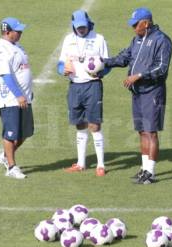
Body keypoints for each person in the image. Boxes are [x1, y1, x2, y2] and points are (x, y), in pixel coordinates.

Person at [103, 7, 172, 184]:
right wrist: (102, 62)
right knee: (142, 131)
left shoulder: (162, 40)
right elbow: (124, 58)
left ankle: (151, 172)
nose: (133, 28)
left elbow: (161, 68)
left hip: (152, 92)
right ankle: (144, 169)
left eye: (136, 25)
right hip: (138, 93)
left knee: (151, 132)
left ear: (146, 23)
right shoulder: (137, 40)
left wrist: (139, 76)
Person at [57, 10, 110, 176]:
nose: (81, 30)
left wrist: (100, 73)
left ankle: (101, 165)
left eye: (84, 27)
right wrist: (63, 70)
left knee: (94, 124)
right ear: (73, 26)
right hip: (75, 86)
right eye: (78, 27)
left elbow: (107, 64)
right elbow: (60, 63)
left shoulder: (99, 39)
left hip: (92, 86)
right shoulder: (68, 40)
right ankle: (81, 163)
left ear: (89, 24)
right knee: (79, 124)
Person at [0, 17, 34, 179]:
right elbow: (6, 75)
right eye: (18, 30)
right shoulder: (1, 50)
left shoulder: (16, 46)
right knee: (11, 134)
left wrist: (27, 93)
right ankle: (11, 166)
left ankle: (4, 156)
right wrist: (18, 95)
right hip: (10, 99)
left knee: (25, 132)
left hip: (24, 98)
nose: (21, 33)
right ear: (7, 31)